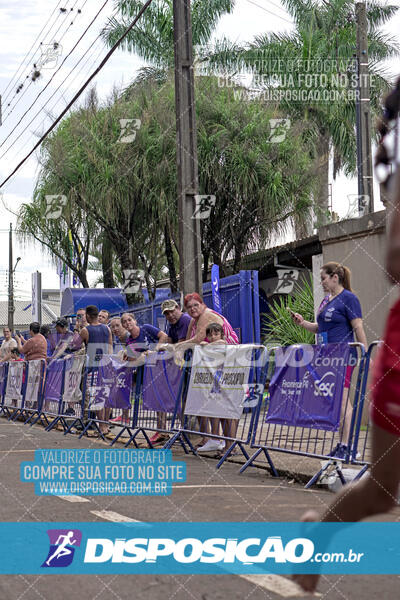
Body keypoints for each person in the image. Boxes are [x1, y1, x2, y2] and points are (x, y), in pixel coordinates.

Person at [293, 76, 400, 594]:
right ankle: (320, 534)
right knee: (382, 489)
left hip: (361, 355)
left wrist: (358, 347)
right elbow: (396, 261)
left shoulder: (347, 302)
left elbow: (357, 327)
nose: (327, 281)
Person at [290, 262, 367, 445]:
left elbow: (358, 327)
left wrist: (365, 352)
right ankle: (343, 444)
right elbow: (319, 328)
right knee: (335, 402)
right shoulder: (326, 301)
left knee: (341, 402)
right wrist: (301, 322)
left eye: (323, 279)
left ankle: (347, 446)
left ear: (335, 278)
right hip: (327, 356)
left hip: (344, 355)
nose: (321, 283)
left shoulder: (349, 298)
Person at [176, 294, 239, 452]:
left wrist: (177, 348)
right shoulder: (193, 320)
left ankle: (228, 444)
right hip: (209, 365)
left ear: (202, 304)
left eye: (195, 305)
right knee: (208, 400)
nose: (192, 309)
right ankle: (213, 439)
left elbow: (198, 340)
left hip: (226, 363)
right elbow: (189, 340)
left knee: (224, 402)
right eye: (189, 307)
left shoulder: (207, 315)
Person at [120, 313, 169, 442]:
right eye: (124, 322)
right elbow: (133, 359)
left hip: (160, 367)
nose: (127, 323)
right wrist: (137, 356)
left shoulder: (146, 328)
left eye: (129, 320)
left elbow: (163, 336)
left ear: (135, 320)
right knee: (154, 399)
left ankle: (162, 430)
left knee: (160, 399)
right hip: (146, 372)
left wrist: (156, 350)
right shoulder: (129, 340)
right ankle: (161, 431)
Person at [79, 305, 113, 435]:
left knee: (97, 397)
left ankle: (102, 427)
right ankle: (105, 425)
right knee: (105, 396)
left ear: (87, 315)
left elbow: (74, 345)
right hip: (106, 365)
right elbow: (110, 347)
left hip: (93, 367)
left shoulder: (85, 330)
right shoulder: (107, 329)